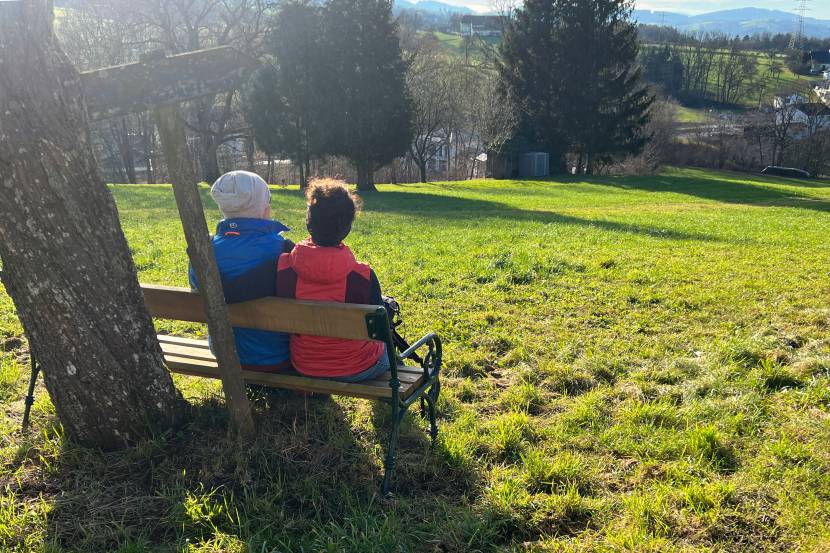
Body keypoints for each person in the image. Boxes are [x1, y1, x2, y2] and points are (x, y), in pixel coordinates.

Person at [276, 178, 391, 382]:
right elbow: (381, 329)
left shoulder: (284, 269)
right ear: (347, 227)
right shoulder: (363, 276)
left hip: (304, 364)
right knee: (388, 353)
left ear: (308, 222)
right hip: (357, 367)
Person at [188, 170, 294, 373]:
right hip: (279, 357)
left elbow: (196, 286)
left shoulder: (205, 251)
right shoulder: (284, 249)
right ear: (266, 210)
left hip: (226, 354)